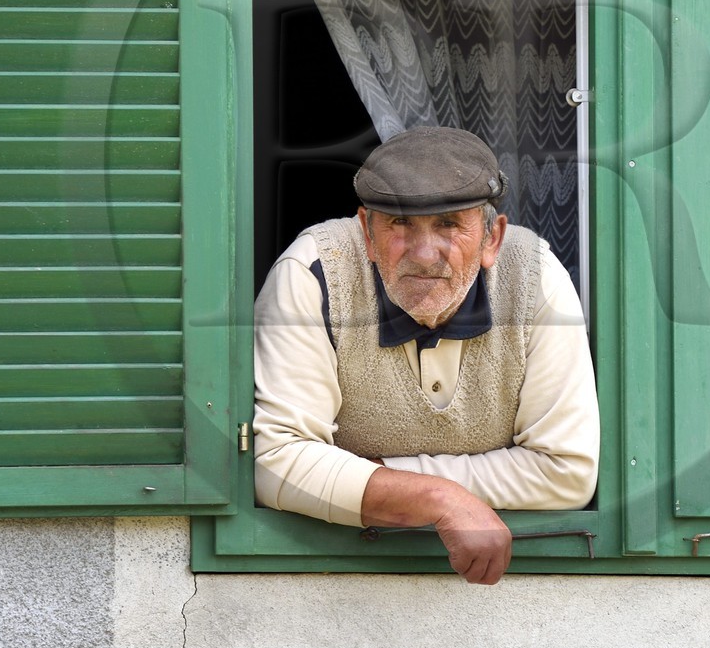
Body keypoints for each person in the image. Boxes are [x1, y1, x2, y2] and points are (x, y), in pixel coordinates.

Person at [253, 126, 599, 585]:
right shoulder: (315, 271)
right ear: (368, 235)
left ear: (492, 238)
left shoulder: (535, 278)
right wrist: (437, 499)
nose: (424, 253)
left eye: (450, 224)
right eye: (399, 223)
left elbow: (567, 471)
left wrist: (375, 477)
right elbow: (277, 462)